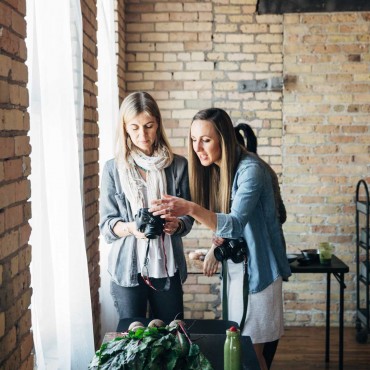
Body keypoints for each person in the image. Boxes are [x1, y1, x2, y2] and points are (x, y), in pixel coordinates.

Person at [150, 108, 291, 370]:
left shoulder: (251, 171)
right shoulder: (220, 170)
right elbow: (230, 230)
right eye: (193, 140)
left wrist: (190, 208)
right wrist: (214, 249)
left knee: (250, 354)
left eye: (205, 140)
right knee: (239, 351)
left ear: (223, 139)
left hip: (259, 275)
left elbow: (236, 224)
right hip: (239, 273)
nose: (197, 148)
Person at [99, 91, 193, 323]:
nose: (143, 134)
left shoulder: (178, 166)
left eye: (149, 125)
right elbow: (106, 226)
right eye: (135, 127)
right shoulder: (113, 169)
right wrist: (133, 228)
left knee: (172, 337)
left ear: (158, 124)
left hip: (167, 266)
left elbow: (189, 218)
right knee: (132, 343)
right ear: (125, 128)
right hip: (127, 271)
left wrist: (176, 224)